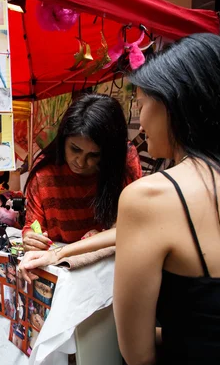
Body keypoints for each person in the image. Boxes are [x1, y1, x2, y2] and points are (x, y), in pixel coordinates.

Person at [113, 34, 220, 365]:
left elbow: (137, 350)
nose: (140, 122)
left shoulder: (150, 197)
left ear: (174, 104)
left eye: (142, 103)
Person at [18, 94, 142, 280]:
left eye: (94, 155)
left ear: (110, 154)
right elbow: (33, 225)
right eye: (75, 149)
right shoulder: (45, 172)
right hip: (62, 273)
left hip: (110, 272)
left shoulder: (124, 161)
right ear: (63, 139)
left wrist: (101, 235)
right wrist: (30, 237)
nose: (81, 162)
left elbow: (129, 226)